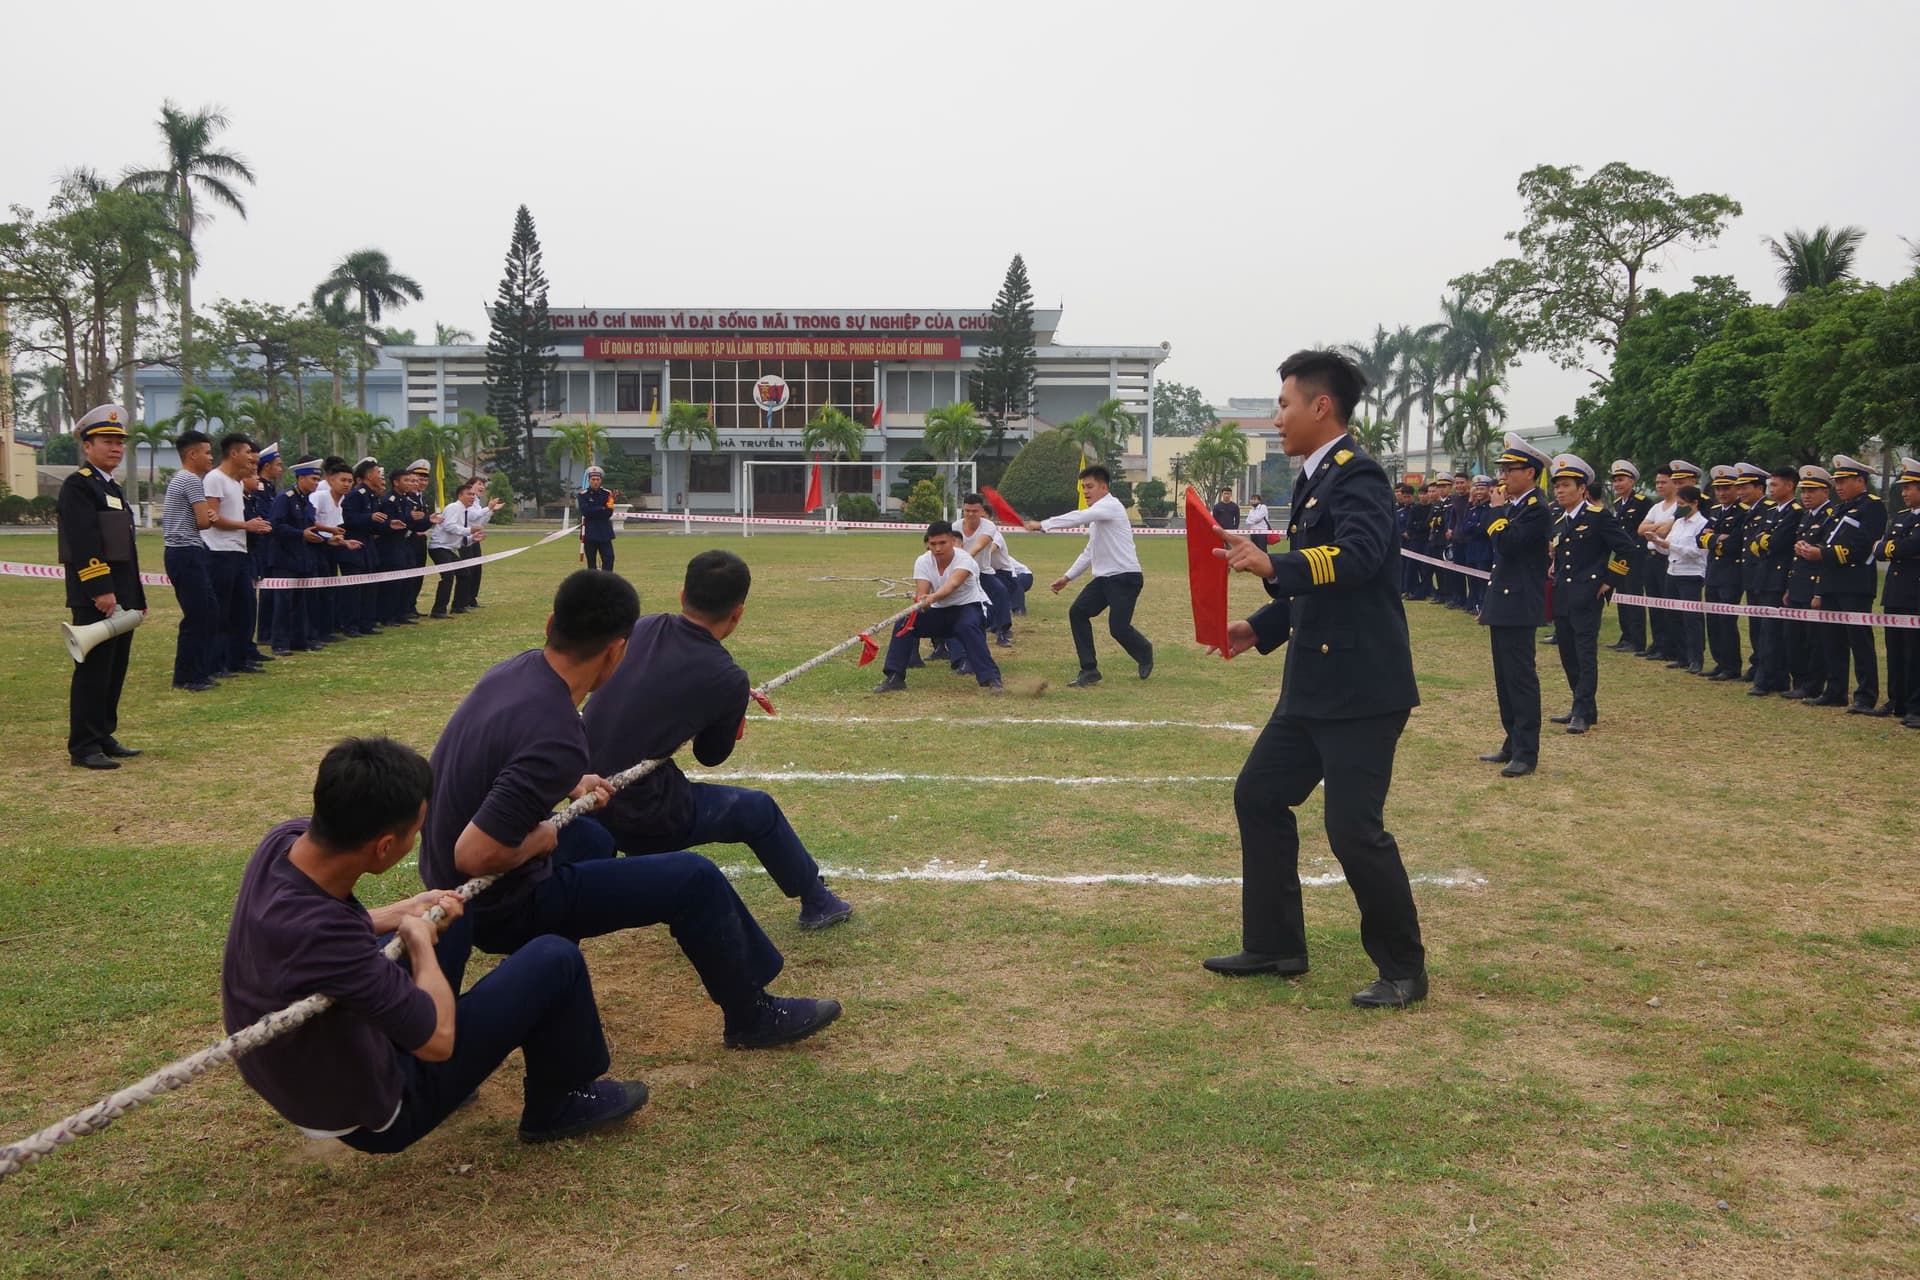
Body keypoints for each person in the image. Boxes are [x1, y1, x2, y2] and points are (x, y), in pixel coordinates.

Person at [419, 570, 842, 1050]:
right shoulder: (557, 732)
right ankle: (752, 1015)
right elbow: (475, 855)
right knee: (694, 879)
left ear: (549, 623)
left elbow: (504, 768)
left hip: (436, 876)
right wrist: (539, 839)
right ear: (618, 648)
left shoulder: (514, 671)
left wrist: (571, 782)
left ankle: (552, 975)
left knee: (597, 839)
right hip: (496, 899)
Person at [222, 736, 647, 1151]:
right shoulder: (329, 940)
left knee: (449, 916)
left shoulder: (283, 844)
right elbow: (438, 1041)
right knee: (555, 959)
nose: (418, 839)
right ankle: (560, 1106)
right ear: (385, 847)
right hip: (370, 1112)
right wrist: (420, 945)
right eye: (416, 832)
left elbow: (315, 938)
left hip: (301, 1068)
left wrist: (400, 912)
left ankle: (450, 1064)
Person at [1201, 349, 1426, 1009]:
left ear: (1320, 406)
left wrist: (1271, 565)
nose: (1278, 417)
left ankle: (1404, 969)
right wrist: (1264, 626)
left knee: (1354, 829)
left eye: (1285, 404)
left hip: (1362, 689)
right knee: (1259, 796)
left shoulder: (1361, 478)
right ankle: (1275, 945)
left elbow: (1354, 560)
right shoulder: (1313, 478)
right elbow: (1318, 588)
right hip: (1312, 687)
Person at [582, 550, 854, 930]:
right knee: (757, 810)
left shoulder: (644, 626)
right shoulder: (727, 676)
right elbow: (710, 755)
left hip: (584, 792)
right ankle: (818, 900)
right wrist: (729, 711)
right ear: (738, 612)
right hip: (639, 810)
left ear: (682, 595)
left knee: (677, 798)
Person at [60, 405, 147, 769]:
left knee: (114, 668)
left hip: (120, 592)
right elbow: (83, 542)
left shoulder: (108, 486)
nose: (115, 448)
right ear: (87, 445)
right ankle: (83, 744)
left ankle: (103, 732)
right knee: (94, 670)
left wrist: (136, 598)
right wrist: (100, 589)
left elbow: (125, 548)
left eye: (119, 442)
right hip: (96, 594)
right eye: (107, 441)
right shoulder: (79, 485)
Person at [1023, 465, 1154, 687]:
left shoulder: (1110, 506)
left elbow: (1078, 516)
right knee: (1078, 612)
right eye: (1083, 487)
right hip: (1104, 580)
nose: (1085, 491)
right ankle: (1089, 669)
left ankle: (1144, 652)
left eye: (1090, 486)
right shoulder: (1098, 518)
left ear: (1104, 487)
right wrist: (1067, 578)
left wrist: (1043, 525)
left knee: (1118, 629)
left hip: (1125, 578)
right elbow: (1089, 552)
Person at [1478, 433, 1552, 778]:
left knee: (1520, 678)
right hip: (1504, 601)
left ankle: (1526, 751)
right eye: (1503, 469)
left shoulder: (1537, 509)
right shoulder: (1516, 507)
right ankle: (1511, 740)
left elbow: (1507, 544)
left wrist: (1495, 512)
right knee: (1504, 679)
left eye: (1511, 469)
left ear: (1531, 473)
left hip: (1520, 603)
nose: (1503, 476)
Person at [1546, 455, 1633, 734]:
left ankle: (1582, 711)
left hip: (1587, 595)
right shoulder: (1559, 519)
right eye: (1557, 486)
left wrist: (1611, 579)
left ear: (1582, 489)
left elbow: (1627, 548)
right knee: (1567, 654)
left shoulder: (1598, 516)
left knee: (1585, 655)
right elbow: (1561, 555)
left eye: (1566, 485)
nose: (1559, 491)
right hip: (1563, 595)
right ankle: (1581, 706)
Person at [872, 521, 1005, 693]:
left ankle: (991, 678)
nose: (937, 548)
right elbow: (923, 593)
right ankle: (894, 677)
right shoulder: (922, 561)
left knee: (967, 626)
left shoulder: (965, 559)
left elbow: (953, 584)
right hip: (940, 610)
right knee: (905, 623)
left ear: (952, 541)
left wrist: (932, 597)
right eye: (933, 544)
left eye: (942, 543)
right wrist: (922, 603)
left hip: (970, 607)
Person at [1815, 455, 1888, 715]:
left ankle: (1866, 695)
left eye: (1844, 480)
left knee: (1860, 641)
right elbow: (1826, 539)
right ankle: (1835, 690)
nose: (1839, 486)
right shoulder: (1840, 508)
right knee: (1832, 640)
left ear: (1860, 480)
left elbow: (1861, 546)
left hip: (1855, 582)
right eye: (1836, 481)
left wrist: (1822, 554)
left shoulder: (1872, 506)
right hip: (1833, 581)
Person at [203, 433, 273, 678]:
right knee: (221, 611)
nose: (252, 460)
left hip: (239, 552)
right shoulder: (215, 479)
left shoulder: (237, 483)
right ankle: (215, 663)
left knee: (243, 609)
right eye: (248, 454)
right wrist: (246, 526)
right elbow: (211, 518)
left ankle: (238, 658)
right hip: (219, 552)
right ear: (234, 454)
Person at [160, 429, 219, 693]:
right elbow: (202, 521)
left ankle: (199, 670)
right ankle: (187, 676)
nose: (210, 457)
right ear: (192, 454)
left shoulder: (180, 479)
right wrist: (209, 516)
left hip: (182, 552)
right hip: (186, 552)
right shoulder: (192, 481)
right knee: (197, 615)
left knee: (206, 611)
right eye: (207, 452)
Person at [1780, 468, 1835, 701]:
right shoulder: (1807, 516)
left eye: (1812, 491)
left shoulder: (1830, 515)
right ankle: (1799, 681)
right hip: (1799, 586)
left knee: (1815, 640)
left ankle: (1813, 685)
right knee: (1795, 637)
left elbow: (1824, 558)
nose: (1807, 496)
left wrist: (1818, 591)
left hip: (1814, 586)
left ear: (1825, 491)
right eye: (1804, 491)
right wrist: (1790, 587)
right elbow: (1798, 555)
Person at [1748, 467, 1803, 697]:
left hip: (1779, 577)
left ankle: (1765, 679)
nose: (1771, 489)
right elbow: (1755, 541)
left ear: (1790, 486)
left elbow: (1778, 542)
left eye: (1775, 485)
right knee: (1763, 630)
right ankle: (1776, 677)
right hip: (1765, 574)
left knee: (1772, 633)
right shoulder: (1772, 511)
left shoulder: (1795, 511)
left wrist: (1765, 539)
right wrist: (1764, 539)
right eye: (1770, 485)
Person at [269, 457, 329, 655]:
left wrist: (329, 540)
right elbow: (276, 526)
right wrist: (300, 534)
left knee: (301, 602)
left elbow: (310, 528)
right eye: (313, 478)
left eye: (317, 479)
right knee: (283, 602)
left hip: (303, 558)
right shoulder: (285, 498)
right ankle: (280, 643)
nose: (316, 483)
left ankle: (300, 639)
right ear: (300, 478)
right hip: (285, 559)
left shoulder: (306, 502)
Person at [1881, 457, 1920, 728]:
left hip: (1915, 594)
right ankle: (1897, 700)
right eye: (1903, 487)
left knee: (1915, 654)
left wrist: (1892, 547)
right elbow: (1884, 546)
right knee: (1894, 650)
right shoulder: (1902, 517)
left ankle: (1916, 707)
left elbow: (1906, 547)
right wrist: (1893, 547)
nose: (1904, 493)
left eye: (1910, 487)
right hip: (1895, 592)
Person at [1701, 466, 1747, 680]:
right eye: (1718, 488)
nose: (1721, 493)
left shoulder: (1742, 512)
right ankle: (1720, 661)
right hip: (1713, 572)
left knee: (1727, 621)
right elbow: (1699, 539)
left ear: (1736, 488)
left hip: (1731, 573)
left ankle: (1731, 665)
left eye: (1726, 487)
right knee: (1713, 620)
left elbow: (1734, 544)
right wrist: (1716, 539)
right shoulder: (1715, 511)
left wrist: (1713, 540)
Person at [1605, 463, 1651, 653]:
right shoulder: (1617, 504)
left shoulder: (1642, 502)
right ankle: (1626, 636)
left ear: (1631, 481)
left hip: (1637, 556)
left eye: (1621, 480)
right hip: (1621, 557)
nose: (1617, 484)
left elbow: (1646, 527)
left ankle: (1637, 640)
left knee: (1634, 597)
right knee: (1622, 595)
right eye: (1615, 480)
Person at [958, 493, 1015, 646]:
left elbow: (978, 546)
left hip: (982, 572)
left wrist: (965, 560)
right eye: (967, 510)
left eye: (974, 511)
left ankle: (1002, 633)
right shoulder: (955, 527)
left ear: (981, 511)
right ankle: (941, 645)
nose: (970, 514)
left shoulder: (989, 526)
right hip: (960, 573)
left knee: (1000, 591)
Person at [1637, 466, 1680, 662]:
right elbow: (1641, 529)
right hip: (1650, 557)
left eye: (1664, 482)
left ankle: (1670, 645)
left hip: (1666, 558)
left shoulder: (1679, 507)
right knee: (1653, 603)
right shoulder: (1657, 506)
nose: (1659, 486)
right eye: (1657, 482)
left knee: (1667, 604)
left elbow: (1663, 532)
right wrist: (1655, 527)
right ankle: (1657, 643)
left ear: (1674, 483)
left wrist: (1653, 529)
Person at [247, 442, 282, 657]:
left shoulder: (269, 487)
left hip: (269, 545)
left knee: (268, 591)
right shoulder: (258, 487)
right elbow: (262, 515)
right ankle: (264, 633)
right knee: (264, 592)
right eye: (278, 465)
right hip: (262, 545)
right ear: (267, 466)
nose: (280, 469)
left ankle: (265, 633)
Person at [429, 478, 476, 618]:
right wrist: (470, 530)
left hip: (448, 548)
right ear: (460, 496)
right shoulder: (454, 507)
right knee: (448, 576)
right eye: (469, 494)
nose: (472, 497)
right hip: (439, 547)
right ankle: (438, 610)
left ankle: (458, 606)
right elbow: (449, 527)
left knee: (464, 573)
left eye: (473, 495)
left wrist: (472, 538)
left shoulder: (464, 511)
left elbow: (458, 538)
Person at [457, 481, 503, 611]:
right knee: (468, 570)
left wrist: (490, 510)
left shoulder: (477, 503)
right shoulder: (466, 504)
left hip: (475, 537)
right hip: (465, 538)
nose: (482, 487)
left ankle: (472, 598)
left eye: (483, 485)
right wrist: (488, 508)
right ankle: (464, 601)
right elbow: (473, 516)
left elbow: (481, 521)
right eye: (479, 484)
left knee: (477, 569)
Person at [1455, 475, 1495, 615]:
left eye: (1482, 489)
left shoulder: (1491, 508)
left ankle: (1484, 606)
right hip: (1471, 549)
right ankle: (1474, 604)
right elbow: (1464, 528)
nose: (1478, 492)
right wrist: (1474, 526)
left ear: (1489, 490)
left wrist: (1475, 527)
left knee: (1483, 580)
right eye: (1476, 489)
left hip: (1485, 550)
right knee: (1472, 580)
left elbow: (1484, 529)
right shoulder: (1472, 508)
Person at [578, 465, 617, 571]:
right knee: (591, 563)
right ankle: (593, 585)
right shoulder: (583, 495)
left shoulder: (607, 494)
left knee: (609, 558)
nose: (595, 482)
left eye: (597, 479)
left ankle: (607, 582)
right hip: (590, 532)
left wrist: (595, 509)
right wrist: (601, 508)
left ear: (601, 480)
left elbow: (609, 512)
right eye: (593, 479)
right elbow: (586, 512)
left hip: (604, 532)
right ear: (589, 480)